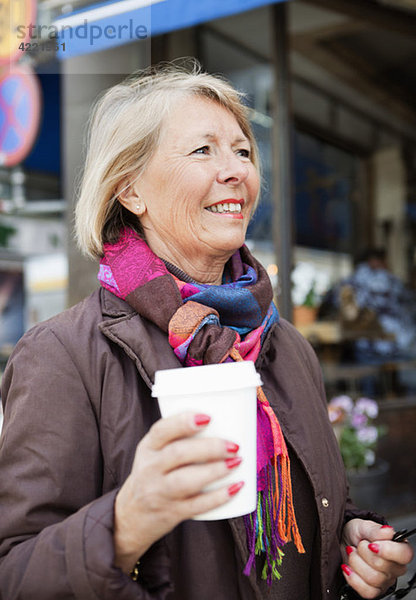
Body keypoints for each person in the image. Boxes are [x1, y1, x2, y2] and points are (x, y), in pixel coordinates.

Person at [0, 62, 412, 600]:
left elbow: (319, 507)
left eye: (243, 150)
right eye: (203, 150)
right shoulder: (63, 354)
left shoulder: (285, 345)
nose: (236, 169)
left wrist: (351, 540)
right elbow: (15, 572)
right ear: (130, 190)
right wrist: (125, 522)